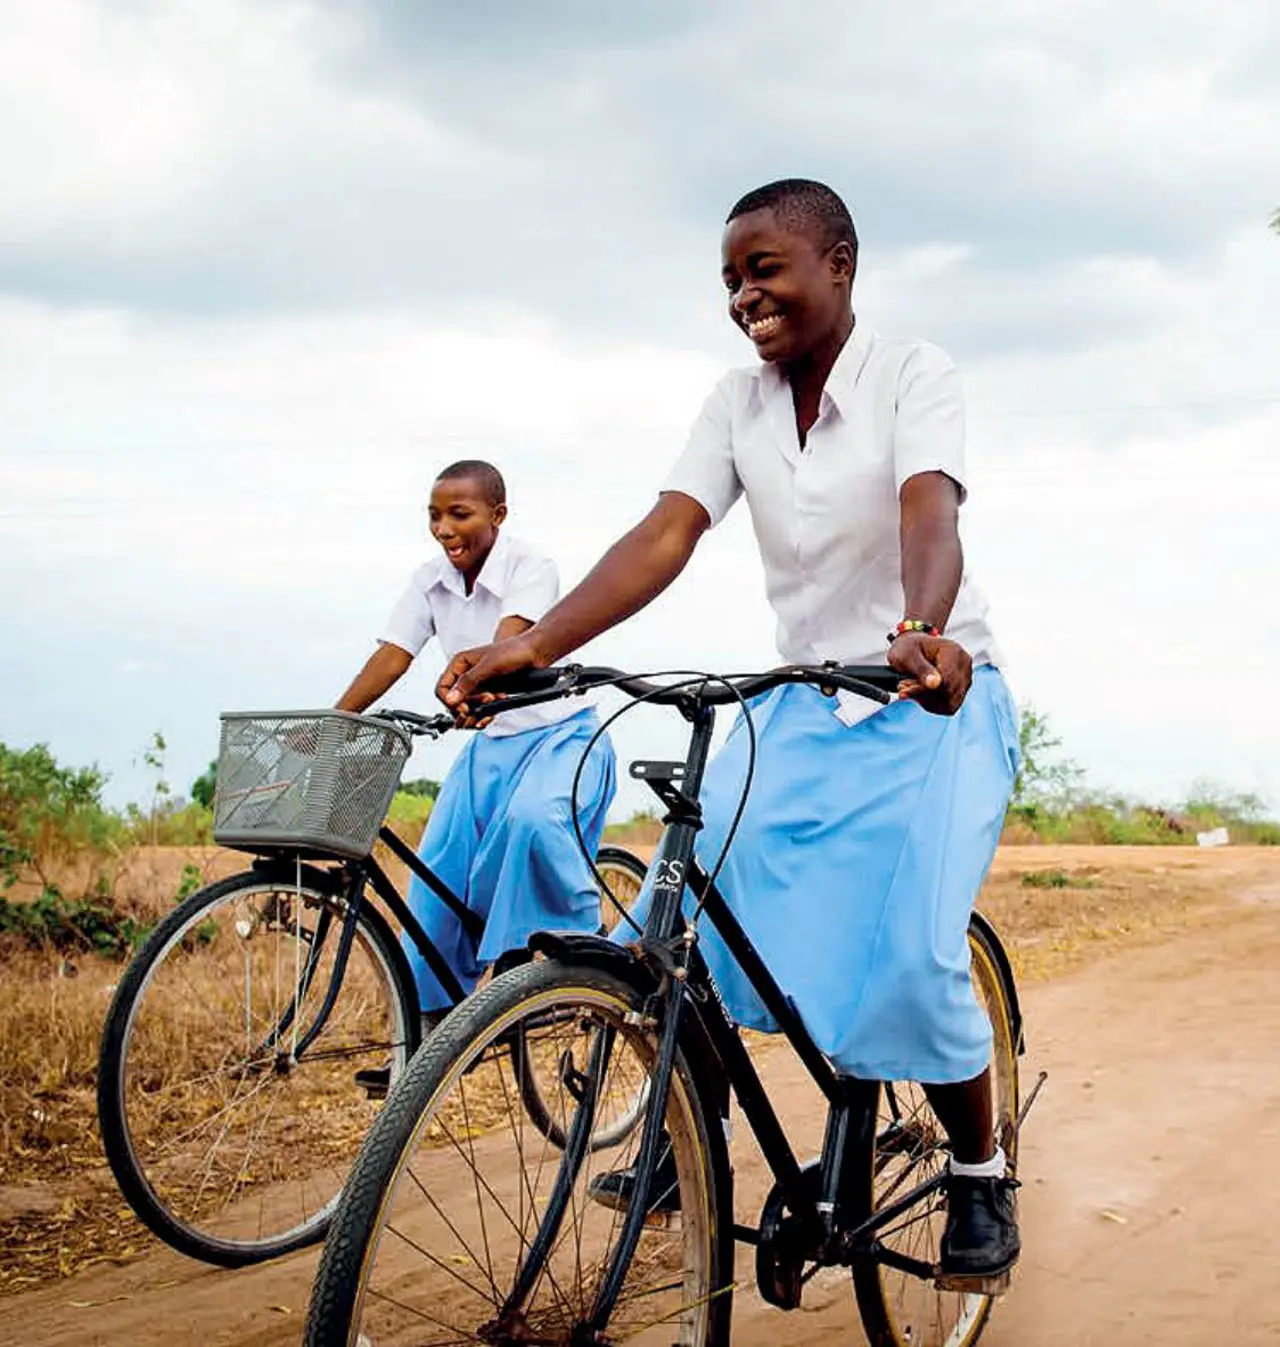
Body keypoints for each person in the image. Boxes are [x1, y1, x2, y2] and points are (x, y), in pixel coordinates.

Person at [436, 182, 1022, 1284]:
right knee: (689, 924)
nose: (744, 297)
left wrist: (921, 631)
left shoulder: (911, 374)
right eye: (729, 280)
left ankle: (978, 1169)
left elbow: (927, 509)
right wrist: (538, 645)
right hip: (803, 701)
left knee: (907, 950)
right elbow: (668, 531)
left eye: (764, 270)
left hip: (927, 692)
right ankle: (685, 1142)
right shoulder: (736, 403)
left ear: (838, 264)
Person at [336, 459, 617, 1094]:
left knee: (532, 824)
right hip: (490, 746)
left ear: (498, 514)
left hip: (558, 735)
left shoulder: (531, 567)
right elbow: (393, 654)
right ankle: (426, 1038)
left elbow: (510, 642)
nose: (444, 528)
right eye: (434, 516)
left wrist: (471, 681)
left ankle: (562, 967)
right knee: (437, 872)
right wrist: (337, 718)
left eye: (459, 514)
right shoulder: (429, 581)